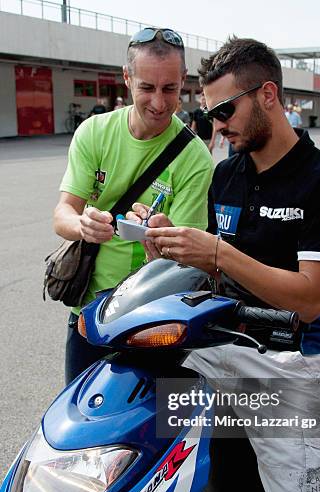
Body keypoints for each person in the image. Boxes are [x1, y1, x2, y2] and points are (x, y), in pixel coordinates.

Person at [129, 36, 320, 492]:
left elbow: (310, 299)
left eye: (224, 110)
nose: (216, 124)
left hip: (284, 364)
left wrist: (216, 253)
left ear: (268, 95)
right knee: (127, 430)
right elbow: (218, 277)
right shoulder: (225, 177)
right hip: (215, 351)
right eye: (207, 113)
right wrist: (168, 244)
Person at [53, 27, 213, 384]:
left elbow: (189, 263)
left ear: (183, 81)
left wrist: (168, 240)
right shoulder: (94, 132)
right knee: (81, 423)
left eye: (170, 89)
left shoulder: (195, 157)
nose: (158, 103)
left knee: (149, 429)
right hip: (90, 314)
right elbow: (63, 212)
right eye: (147, 88)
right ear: (127, 79)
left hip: (154, 318)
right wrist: (83, 225)